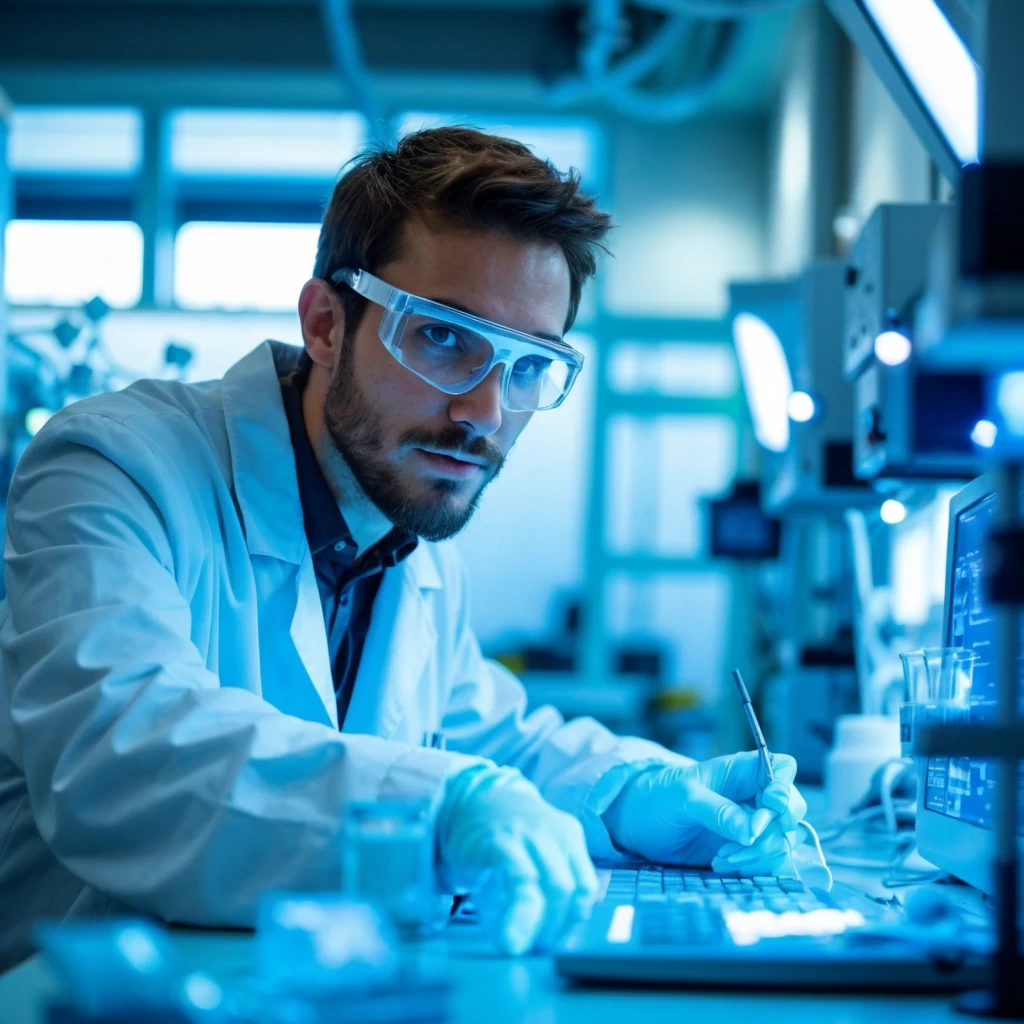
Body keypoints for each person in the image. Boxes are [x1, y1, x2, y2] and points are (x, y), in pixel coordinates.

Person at [0, 127, 805, 970]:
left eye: (531, 366)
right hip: (78, 992)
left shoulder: (407, 541)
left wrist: (630, 794)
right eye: (444, 337)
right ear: (324, 324)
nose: (487, 412)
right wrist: (441, 808)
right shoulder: (116, 467)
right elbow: (118, 758)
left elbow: (491, 742)